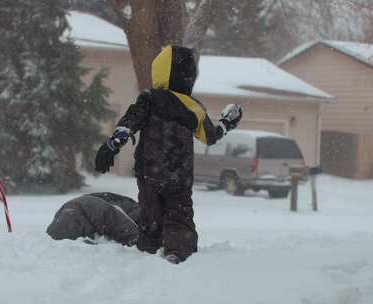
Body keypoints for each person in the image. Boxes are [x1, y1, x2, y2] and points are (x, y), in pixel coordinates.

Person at [95, 45, 243, 264]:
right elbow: (210, 136)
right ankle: (178, 252)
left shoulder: (150, 98)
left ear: (161, 71)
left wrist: (113, 143)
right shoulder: (194, 108)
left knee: (150, 216)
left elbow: (131, 120)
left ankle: (148, 249)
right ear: (190, 76)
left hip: (149, 173)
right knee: (179, 217)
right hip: (180, 177)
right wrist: (226, 124)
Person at [46, 192, 140, 246]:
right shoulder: (132, 211)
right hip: (85, 207)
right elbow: (127, 230)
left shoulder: (126, 206)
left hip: (72, 207)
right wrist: (137, 241)